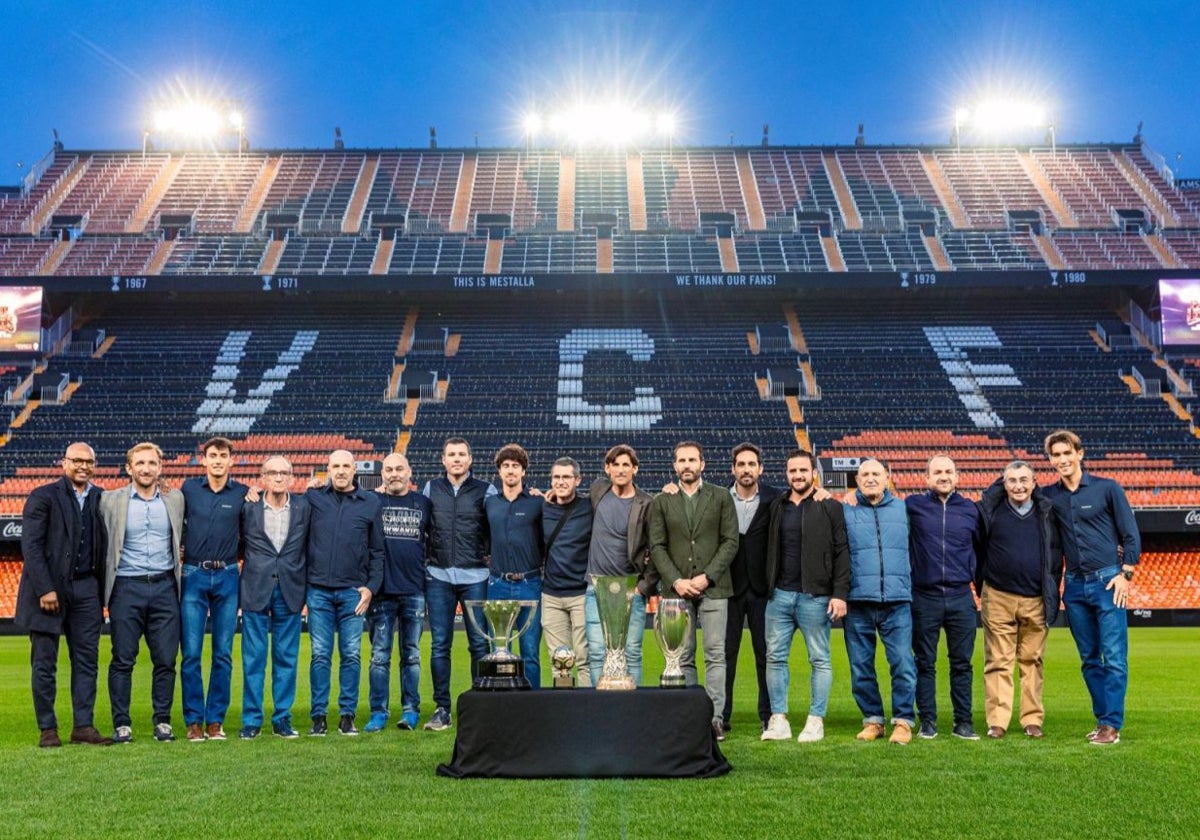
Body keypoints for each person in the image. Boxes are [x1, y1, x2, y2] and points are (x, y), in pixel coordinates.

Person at [1042, 429, 1140, 745]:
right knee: (1088, 659)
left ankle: (1112, 725)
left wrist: (1125, 574)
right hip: (1073, 587)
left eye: (1067, 452)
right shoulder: (1049, 497)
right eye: (1055, 455)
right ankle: (1103, 722)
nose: (1062, 459)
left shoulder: (1107, 489)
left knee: (1113, 657)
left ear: (1080, 454)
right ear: (1050, 460)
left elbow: (1130, 535)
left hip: (1108, 582)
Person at [16, 442, 110, 747]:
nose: (83, 466)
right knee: (44, 662)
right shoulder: (43, 496)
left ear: (95, 465)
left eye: (89, 462)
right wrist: (45, 588)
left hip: (86, 589)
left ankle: (83, 726)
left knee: (87, 661)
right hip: (48, 590)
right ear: (63, 463)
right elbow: (30, 546)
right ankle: (48, 728)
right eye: (77, 460)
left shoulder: (100, 498)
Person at [649, 441, 739, 741]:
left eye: (692, 460)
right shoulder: (662, 501)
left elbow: (730, 542)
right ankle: (690, 716)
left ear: (703, 464)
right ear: (675, 466)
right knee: (681, 656)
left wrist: (707, 577)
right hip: (676, 592)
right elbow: (657, 547)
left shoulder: (721, 496)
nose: (687, 465)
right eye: (681, 460)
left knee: (716, 654)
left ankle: (714, 718)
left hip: (715, 588)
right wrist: (676, 581)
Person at [759, 449, 849, 744]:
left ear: (814, 473)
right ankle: (780, 719)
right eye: (791, 471)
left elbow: (841, 552)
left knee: (819, 659)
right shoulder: (776, 505)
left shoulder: (829, 506)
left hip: (816, 597)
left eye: (802, 470)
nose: (797, 475)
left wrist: (839, 594)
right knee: (774, 658)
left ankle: (815, 720)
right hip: (780, 596)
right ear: (786, 474)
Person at [100, 442, 185, 743]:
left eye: (152, 463)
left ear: (161, 467)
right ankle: (121, 723)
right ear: (129, 468)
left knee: (166, 659)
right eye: (140, 463)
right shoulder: (109, 501)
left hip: (164, 587)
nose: (146, 468)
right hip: (126, 587)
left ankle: (162, 721)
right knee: (123, 658)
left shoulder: (175, 499)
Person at [977, 460, 1062, 739]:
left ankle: (1031, 720)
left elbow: (1056, 554)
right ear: (1004, 484)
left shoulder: (1046, 512)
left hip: (1036, 597)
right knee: (999, 660)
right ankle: (998, 722)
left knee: (1032, 660)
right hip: (998, 594)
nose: (1019, 486)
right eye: (1012, 480)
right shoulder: (990, 510)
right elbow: (977, 548)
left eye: (1024, 480)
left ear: (1034, 483)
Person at [304, 449, 384, 737]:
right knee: (320, 654)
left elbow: (377, 551)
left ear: (355, 470)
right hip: (318, 591)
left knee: (351, 655)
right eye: (335, 466)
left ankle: (347, 715)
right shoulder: (313, 498)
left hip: (353, 592)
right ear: (327, 469)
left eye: (345, 466)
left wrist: (371, 588)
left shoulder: (370, 502)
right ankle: (319, 717)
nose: (340, 471)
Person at [906, 455, 986, 741]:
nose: (943, 476)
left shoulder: (971, 510)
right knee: (924, 662)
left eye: (948, 471)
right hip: (923, 596)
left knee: (962, 663)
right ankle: (927, 721)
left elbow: (981, 549)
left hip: (960, 596)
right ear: (926, 477)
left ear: (957, 476)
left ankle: (963, 722)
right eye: (937, 471)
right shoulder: (912, 506)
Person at [842, 458, 917, 745]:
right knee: (861, 666)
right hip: (858, 599)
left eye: (876, 473)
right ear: (857, 480)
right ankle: (873, 719)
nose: (870, 478)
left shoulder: (904, 509)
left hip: (897, 600)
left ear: (887, 477)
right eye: (864, 474)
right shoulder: (845, 510)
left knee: (902, 663)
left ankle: (902, 721)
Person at [423, 436, 495, 731]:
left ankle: (480, 703)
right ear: (443, 460)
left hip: (475, 575)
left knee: (479, 643)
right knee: (440, 644)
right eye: (451, 454)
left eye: (461, 454)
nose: (456, 459)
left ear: (470, 459)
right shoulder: (431, 489)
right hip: (438, 576)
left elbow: (497, 523)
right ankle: (442, 709)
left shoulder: (485, 490)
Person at [179, 436, 246, 742]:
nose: (218, 460)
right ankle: (194, 720)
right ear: (203, 460)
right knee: (191, 653)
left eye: (223, 456)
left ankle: (215, 720)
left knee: (223, 653)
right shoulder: (188, 490)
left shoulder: (244, 494)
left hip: (228, 575)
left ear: (231, 461)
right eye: (212, 456)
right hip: (193, 573)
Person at [239, 456, 310, 740]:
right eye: (272, 473)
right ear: (263, 477)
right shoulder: (248, 507)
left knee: (287, 659)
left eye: (284, 473)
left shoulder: (305, 507)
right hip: (256, 589)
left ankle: (282, 718)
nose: (278, 477)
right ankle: (252, 720)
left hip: (291, 590)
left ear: (292, 477)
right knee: (253, 659)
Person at [365, 452, 431, 732]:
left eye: (399, 469)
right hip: (381, 591)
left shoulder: (424, 504)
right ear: (382, 475)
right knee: (379, 656)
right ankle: (378, 712)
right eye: (388, 469)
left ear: (409, 472)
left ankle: (410, 710)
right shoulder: (371, 501)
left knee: (412, 655)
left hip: (414, 589)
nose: (394, 474)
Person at [585, 444, 656, 687]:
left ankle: (632, 710)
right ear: (607, 468)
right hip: (595, 586)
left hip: (630, 587)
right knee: (596, 652)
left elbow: (656, 548)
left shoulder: (647, 502)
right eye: (615, 464)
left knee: (632, 652)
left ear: (635, 469)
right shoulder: (598, 490)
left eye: (626, 464)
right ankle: (599, 705)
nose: (621, 469)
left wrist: (642, 587)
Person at [724, 442, 780, 733]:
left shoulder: (775, 498)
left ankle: (768, 715)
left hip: (762, 590)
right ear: (733, 469)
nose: (746, 469)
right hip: (728, 588)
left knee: (765, 654)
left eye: (751, 464)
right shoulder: (719, 498)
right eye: (741, 465)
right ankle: (721, 715)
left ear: (760, 468)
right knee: (725, 654)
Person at [484, 443, 545, 687]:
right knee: (499, 650)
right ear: (499, 471)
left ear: (523, 471)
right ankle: (502, 702)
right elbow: (484, 539)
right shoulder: (489, 504)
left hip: (530, 583)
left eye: (515, 466)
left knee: (529, 652)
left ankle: (533, 706)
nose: (510, 470)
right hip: (497, 583)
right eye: (506, 466)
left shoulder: (537, 503)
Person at [541, 456, 593, 687]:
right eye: (556, 477)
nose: (561, 482)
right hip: (551, 595)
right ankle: (564, 711)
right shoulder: (541, 506)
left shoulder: (589, 506)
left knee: (584, 659)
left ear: (577, 480)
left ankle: (586, 710)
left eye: (566, 477)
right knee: (559, 660)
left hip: (581, 594)